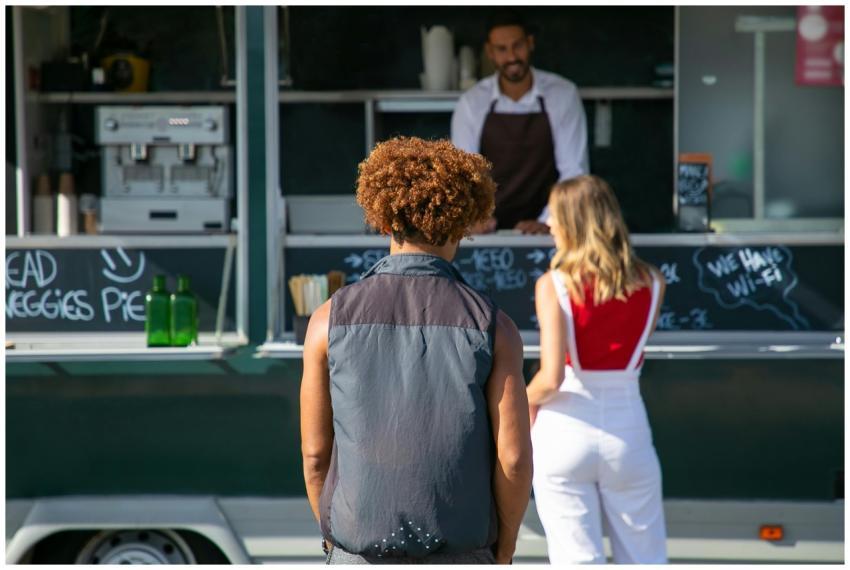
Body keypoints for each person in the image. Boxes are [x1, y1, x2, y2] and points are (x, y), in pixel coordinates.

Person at [300, 137, 533, 565]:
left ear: (385, 222)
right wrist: (506, 548)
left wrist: (336, 543)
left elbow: (316, 457)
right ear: (463, 223)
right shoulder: (495, 327)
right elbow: (514, 460)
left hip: (359, 554)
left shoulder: (326, 322)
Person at [526, 175, 668, 564]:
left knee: (576, 560)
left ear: (573, 222)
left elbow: (550, 378)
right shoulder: (653, 281)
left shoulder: (554, 284)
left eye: (554, 216)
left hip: (564, 432)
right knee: (644, 558)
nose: (550, 225)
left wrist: (515, 407)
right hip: (628, 431)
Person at [451, 9, 589, 235]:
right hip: (487, 233)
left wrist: (548, 221)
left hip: (551, 231)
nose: (512, 56)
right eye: (502, 49)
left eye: (518, 46)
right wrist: (477, 218)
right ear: (490, 52)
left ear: (530, 43)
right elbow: (463, 175)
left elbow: (574, 172)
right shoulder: (472, 102)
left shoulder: (562, 94)